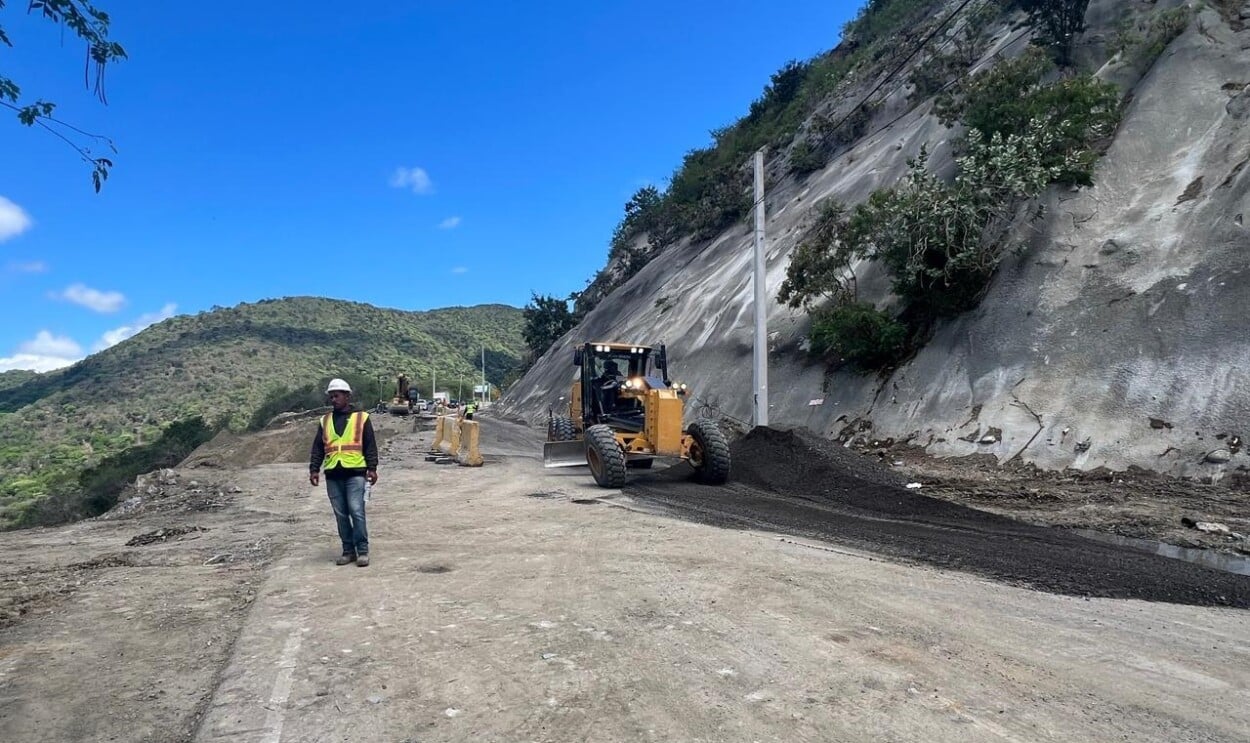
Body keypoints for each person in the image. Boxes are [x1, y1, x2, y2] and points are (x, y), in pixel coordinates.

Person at [309, 378, 379, 567]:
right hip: (333, 474)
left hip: (355, 472)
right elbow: (318, 448)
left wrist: (372, 468)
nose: (333, 399)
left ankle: (362, 550)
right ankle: (348, 551)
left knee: (356, 511)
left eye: (337, 395)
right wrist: (314, 469)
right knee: (341, 514)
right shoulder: (325, 421)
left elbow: (370, 445)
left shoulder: (361, 418)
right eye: (331, 396)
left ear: (347, 396)